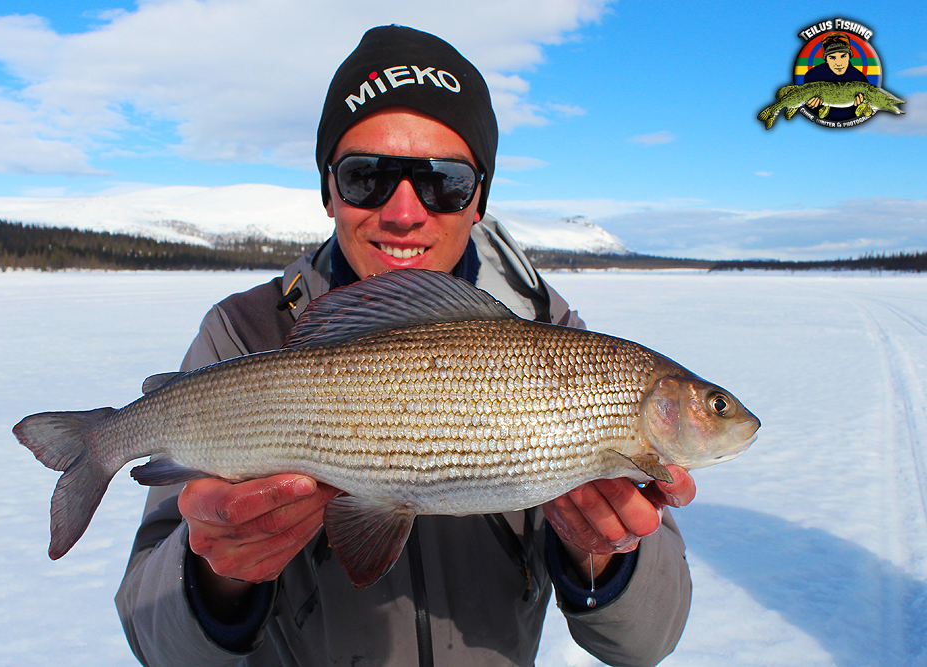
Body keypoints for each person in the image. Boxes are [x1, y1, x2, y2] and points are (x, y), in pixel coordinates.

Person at [116, 25, 695, 667]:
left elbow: (645, 644)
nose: (403, 213)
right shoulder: (245, 336)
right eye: (366, 176)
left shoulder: (557, 345)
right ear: (329, 191)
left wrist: (605, 555)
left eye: (442, 181)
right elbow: (154, 639)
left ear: (479, 200)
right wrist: (217, 575)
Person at [803, 32, 869, 121]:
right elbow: (810, 111)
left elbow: (861, 115)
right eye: (832, 57)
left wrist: (859, 107)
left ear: (850, 55)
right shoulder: (811, 77)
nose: (838, 63)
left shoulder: (861, 80)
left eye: (843, 56)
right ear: (825, 59)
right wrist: (811, 106)